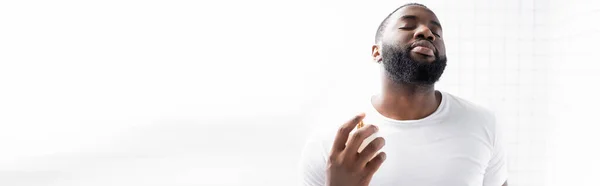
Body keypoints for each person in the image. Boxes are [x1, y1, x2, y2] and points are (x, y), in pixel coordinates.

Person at [298, 3, 508, 186]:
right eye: (407, 25)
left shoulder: (483, 124)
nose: (427, 32)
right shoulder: (331, 141)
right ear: (376, 51)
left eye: (437, 33)